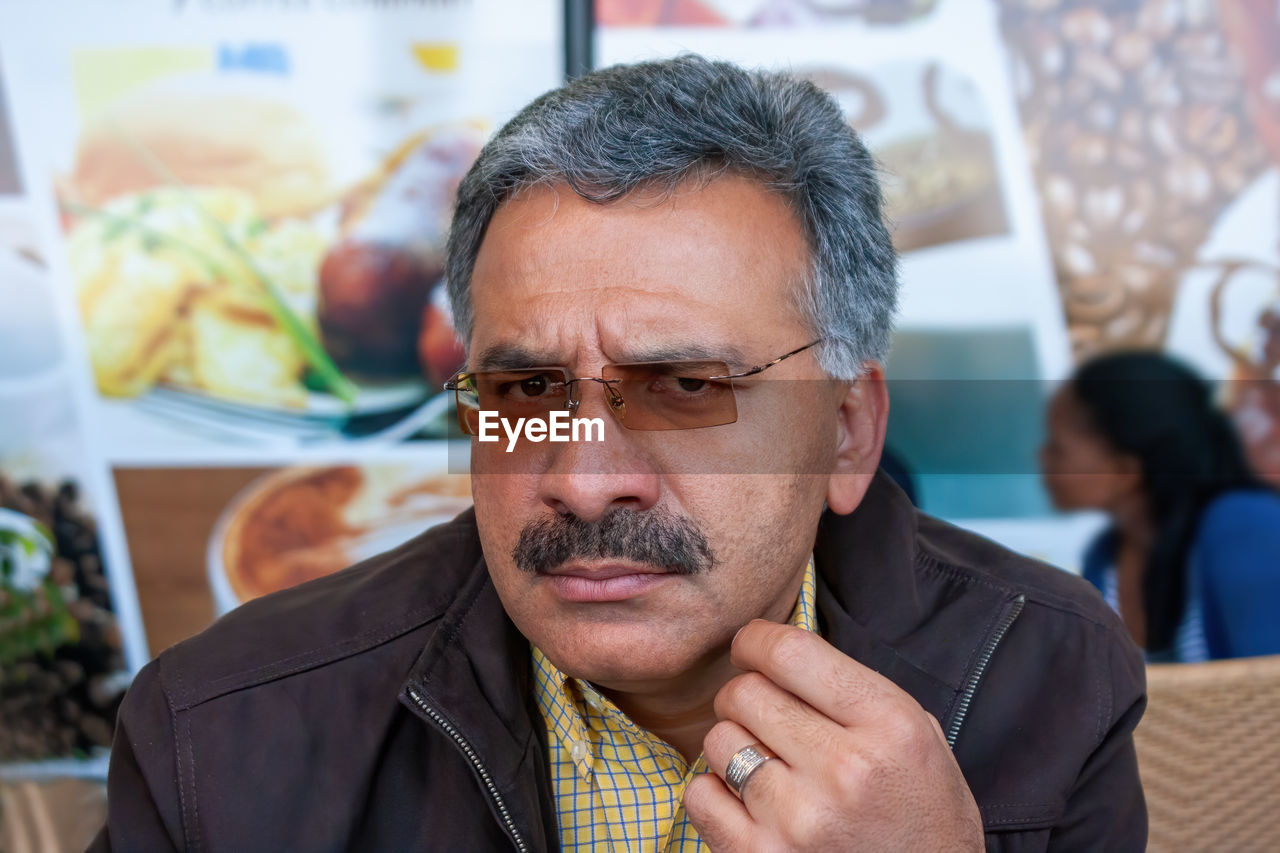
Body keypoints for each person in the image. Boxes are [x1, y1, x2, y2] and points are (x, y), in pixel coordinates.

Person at [93, 56, 1146, 851]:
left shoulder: (1040, 670)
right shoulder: (221, 735)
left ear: (844, 429)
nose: (584, 478)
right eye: (524, 390)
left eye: (686, 387)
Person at [1041, 350, 1280, 662]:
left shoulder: (1246, 526)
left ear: (1125, 471)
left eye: (1057, 448)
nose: (1041, 458)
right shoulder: (1104, 557)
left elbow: (1268, 696)